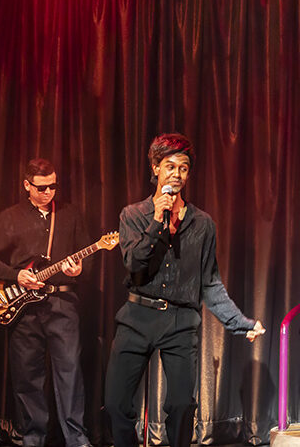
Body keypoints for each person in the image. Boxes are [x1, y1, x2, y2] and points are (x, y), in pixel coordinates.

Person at [104, 133, 266, 447]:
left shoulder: (203, 224)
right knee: (115, 405)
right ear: (155, 168)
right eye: (169, 166)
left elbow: (210, 283)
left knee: (180, 406)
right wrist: (156, 221)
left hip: (179, 322)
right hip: (137, 317)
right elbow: (135, 264)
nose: (177, 174)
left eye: (183, 168)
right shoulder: (133, 215)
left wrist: (239, 323)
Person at [0, 158, 93, 447]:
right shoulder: (10, 216)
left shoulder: (71, 214)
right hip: (22, 308)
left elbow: (86, 259)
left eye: (53, 186)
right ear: (26, 185)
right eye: (41, 187)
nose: (48, 192)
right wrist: (16, 275)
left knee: (70, 371)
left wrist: (79, 269)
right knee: (27, 375)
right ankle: (33, 438)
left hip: (62, 302)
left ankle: (76, 438)